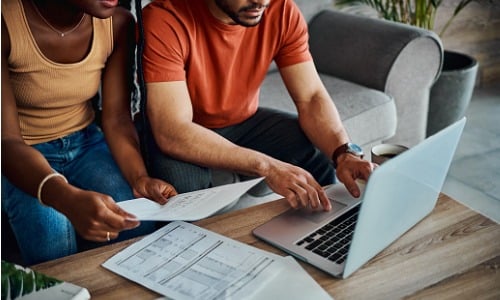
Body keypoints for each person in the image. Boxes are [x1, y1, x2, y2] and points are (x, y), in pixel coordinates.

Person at [140, 0, 375, 212]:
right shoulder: (165, 17)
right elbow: (172, 130)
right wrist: (267, 166)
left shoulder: (281, 10)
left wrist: (344, 153)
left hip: (245, 122)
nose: (261, 1)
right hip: (187, 128)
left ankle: (322, 239)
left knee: (319, 154)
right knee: (186, 192)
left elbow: (311, 97)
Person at [1, 0, 177, 265]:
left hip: (85, 141)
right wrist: (65, 197)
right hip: (21, 152)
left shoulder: (118, 23)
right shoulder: (6, 23)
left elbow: (117, 118)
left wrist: (139, 177)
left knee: (134, 221)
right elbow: (6, 141)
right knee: (52, 236)